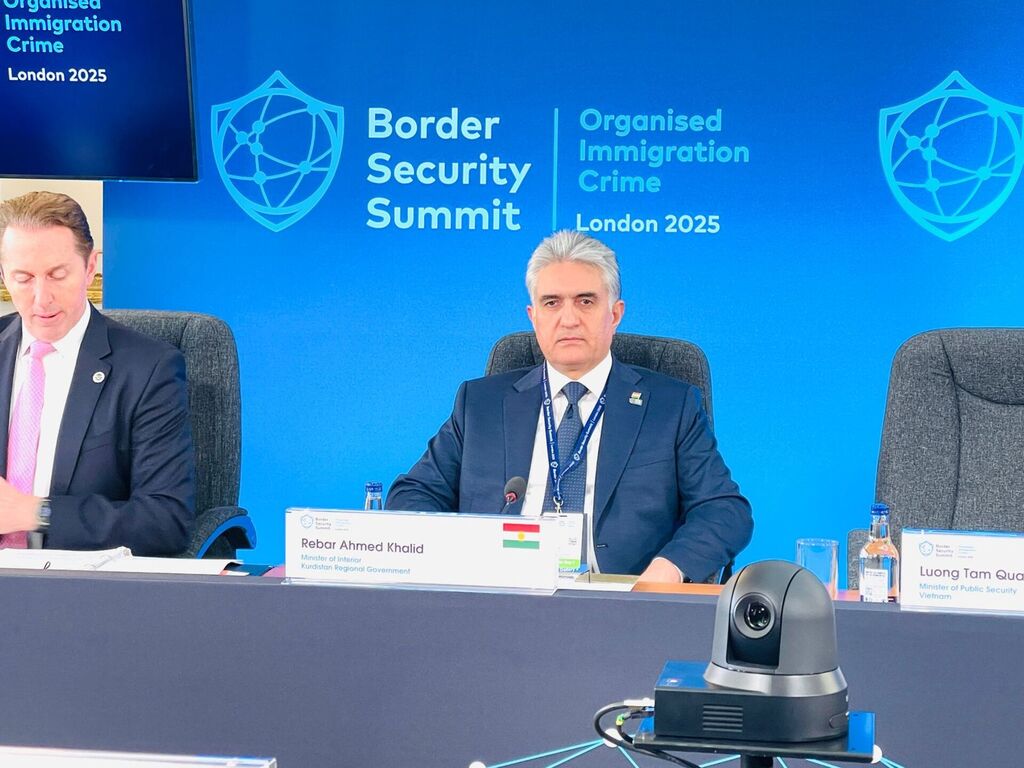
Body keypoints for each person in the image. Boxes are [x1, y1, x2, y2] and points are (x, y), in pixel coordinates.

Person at [387, 230, 752, 582]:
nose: (569, 318)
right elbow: (411, 495)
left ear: (615, 314)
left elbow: (724, 509)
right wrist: (457, 559)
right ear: (533, 316)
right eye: (552, 303)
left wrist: (668, 569)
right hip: (497, 598)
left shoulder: (670, 407)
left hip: (620, 605)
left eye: (585, 301)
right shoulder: (480, 404)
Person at [0, 191, 195, 554]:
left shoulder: (148, 369)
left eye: (58, 275)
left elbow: (165, 520)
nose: (41, 298)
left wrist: (37, 512)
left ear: (90, 266)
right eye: (23, 278)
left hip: (77, 580)